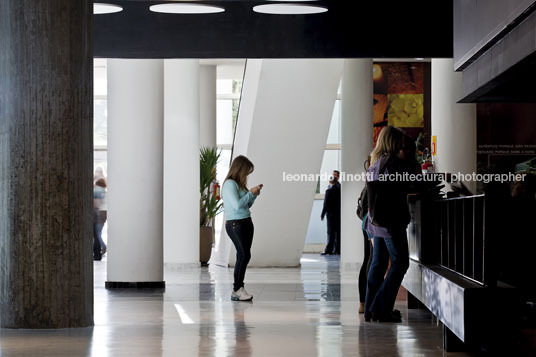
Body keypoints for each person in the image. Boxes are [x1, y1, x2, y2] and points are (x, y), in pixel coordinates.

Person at [364, 126, 413, 323]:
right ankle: (380, 308)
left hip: (375, 221)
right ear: (394, 142)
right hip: (390, 221)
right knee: (401, 262)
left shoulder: (376, 161)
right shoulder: (393, 162)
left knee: (378, 264)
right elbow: (406, 186)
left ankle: (370, 309)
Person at [223, 155, 263, 301]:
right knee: (244, 254)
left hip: (246, 221)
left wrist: (254, 195)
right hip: (235, 224)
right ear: (240, 169)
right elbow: (237, 205)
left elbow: (246, 205)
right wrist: (250, 193)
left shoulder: (239, 185)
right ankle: (237, 289)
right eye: (246, 171)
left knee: (244, 255)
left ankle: (238, 289)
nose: (246, 175)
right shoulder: (229, 184)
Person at [321, 175, 341, 255]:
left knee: (330, 232)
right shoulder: (339, 191)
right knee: (337, 232)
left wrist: (322, 214)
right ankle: (337, 249)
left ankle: (329, 249)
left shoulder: (328, 191)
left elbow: (325, 204)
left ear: (330, 182)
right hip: (338, 215)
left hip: (330, 215)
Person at [93, 178, 108, 261]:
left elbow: (96, 204)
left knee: (97, 234)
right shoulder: (105, 192)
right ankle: (102, 247)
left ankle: (103, 247)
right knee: (98, 233)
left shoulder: (96, 191)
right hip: (103, 215)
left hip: (98, 215)